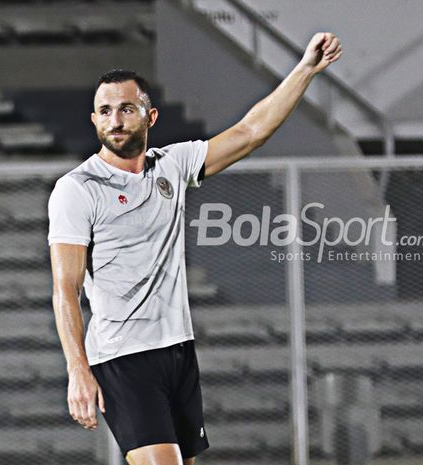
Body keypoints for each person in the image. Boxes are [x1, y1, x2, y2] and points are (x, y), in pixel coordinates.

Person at [48, 32, 342, 465]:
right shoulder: (78, 189)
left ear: (149, 116)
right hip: (123, 357)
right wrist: (78, 369)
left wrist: (305, 71)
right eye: (105, 111)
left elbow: (250, 131)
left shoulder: (172, 164)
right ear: (94, 120)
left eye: (126, 109)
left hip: (178, 350)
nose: (115, 120)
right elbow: (65, 287)